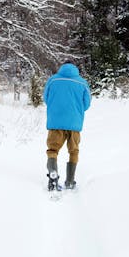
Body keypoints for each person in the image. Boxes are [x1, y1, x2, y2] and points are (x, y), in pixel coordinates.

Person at [43, 60, 91, 191]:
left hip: (55, 123)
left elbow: (46, 98)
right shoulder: (82, 82)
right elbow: (86, 104)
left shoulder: (53, 80)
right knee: (73, 151)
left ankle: (53, 174)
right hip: (74, 124)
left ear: (62, 67)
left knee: (53, 150)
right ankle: (70, 181)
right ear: (75, 68)